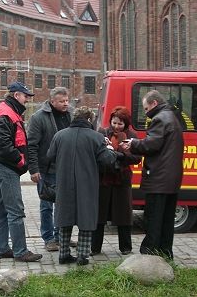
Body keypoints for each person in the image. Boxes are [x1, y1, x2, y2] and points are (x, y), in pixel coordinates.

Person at [47, 106, 120, 265]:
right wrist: (109, 148)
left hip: (64, 183)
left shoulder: (59, 135)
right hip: (87, 184)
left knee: (65, 219)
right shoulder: (96, 137)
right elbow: (107, 160)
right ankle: (82, 256)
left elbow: (50, 156)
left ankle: (64, 254)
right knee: (86, 219)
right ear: (89, 119)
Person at [121, 90, 184, 260]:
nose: (145, 111)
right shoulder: (172, 116)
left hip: (159, 177)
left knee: (154, 217)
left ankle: (149, 251)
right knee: (166, 219)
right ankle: (165, 251)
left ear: (154, 103)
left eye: (146, 107)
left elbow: (151, 145)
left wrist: (133, 144)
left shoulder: (159, 119)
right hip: (171, 178)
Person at [0, 81, 42, 262]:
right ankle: (20, 251)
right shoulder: (7, 112)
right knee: (15, 211)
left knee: (1, 211)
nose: (27, 99)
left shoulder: (7, 110)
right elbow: (2, 144)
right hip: (7, 167)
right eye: (25, 96)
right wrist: (20, 160)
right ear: (16, 95)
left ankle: (2, 249)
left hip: (2, 166)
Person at [27, 87, 77, 252]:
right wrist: (33, 169)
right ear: (52, 101)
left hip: (67, 168)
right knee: (47, 205)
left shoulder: (71, 115)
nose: (66, 104)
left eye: (67, 100)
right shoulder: (38, 118)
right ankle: (49, 238)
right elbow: (32, 146)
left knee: (65, 205)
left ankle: (62, 236)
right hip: (46, 169)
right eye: (62, 101)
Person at [91, 106, 141, 256]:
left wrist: (120, 155)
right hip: (104, 178)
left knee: (124, 214)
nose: (116, 126)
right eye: (114, 123)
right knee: (99, 215)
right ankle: (95, 247)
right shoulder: (102, 132)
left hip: (122, 179)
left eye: (120, 124)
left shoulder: (132, 135)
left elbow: (137, 158)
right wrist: (105, 149)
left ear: (126, 123)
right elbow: (95, 154)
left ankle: (125, 247)